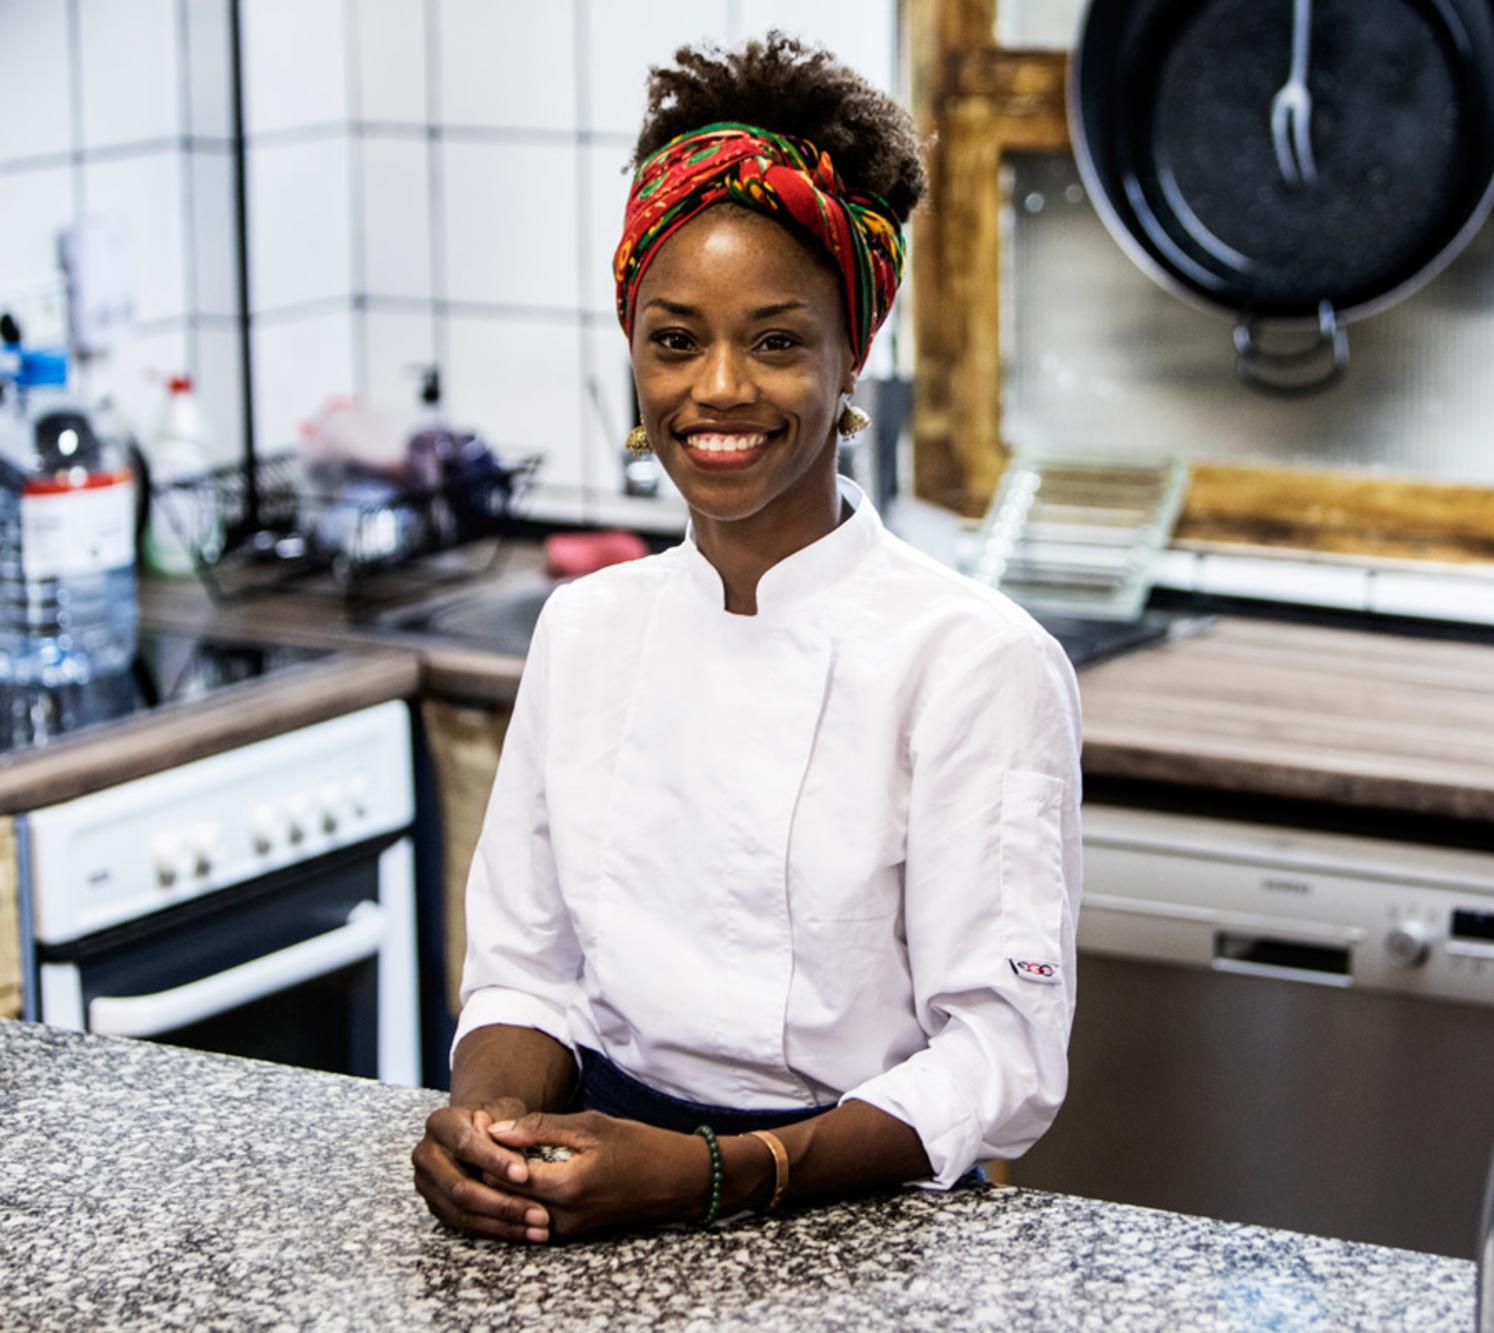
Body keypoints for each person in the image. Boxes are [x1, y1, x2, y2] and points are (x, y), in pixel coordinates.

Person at [409, 34, 1083, 1244]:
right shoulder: (587, 627)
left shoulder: (970, 661)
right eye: (675, 339)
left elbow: (1002, 1057)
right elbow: (525, 972)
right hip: (596, 1190)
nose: (716, 388)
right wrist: (491, 1132)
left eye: (775, 340)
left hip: (867, 1217)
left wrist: (719, 1173)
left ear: (851, 354)